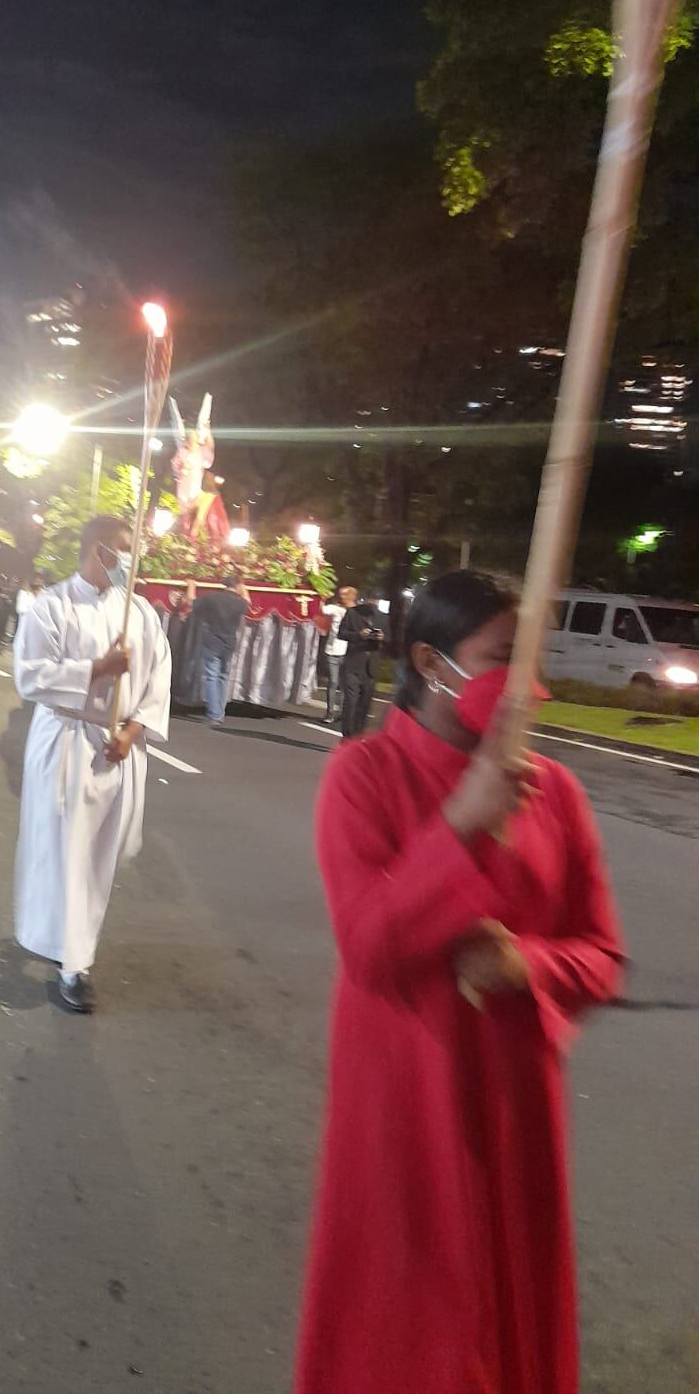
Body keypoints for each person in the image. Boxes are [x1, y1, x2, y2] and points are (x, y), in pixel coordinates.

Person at [296, 570, 623, 1394]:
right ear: (430, 662)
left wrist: (531, 965)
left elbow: (601, 954)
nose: (525, 686)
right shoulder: (361, 777)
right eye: (500, 659)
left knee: (505, 1321)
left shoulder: (556, 794)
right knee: (406, 1334)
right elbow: (369, 947)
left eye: (530, 661)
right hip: (405, 1102)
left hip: (514, 1105)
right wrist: (459, 825)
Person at [13, 515, 171, 1014]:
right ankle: (73, 966)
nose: (132, 560)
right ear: (99, 551)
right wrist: (96, 671)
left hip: (119, 750)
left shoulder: (141, 613)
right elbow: (30, 676)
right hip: (67, 741)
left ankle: (73, 948)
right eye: (124, 550)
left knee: (98, 860)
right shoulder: (52, 606)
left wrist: (133, 729)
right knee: (66, 854)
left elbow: (159, 678)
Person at [189, 573, 249, 724]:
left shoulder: (212, 598)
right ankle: (219, 712)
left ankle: (214, 714)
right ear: (237, 587)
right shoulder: (239, 602)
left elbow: (192, 602)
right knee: (223, 675)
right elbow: (248, 602)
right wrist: (244, 589)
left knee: (211, 675)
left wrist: (191, 586)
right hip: (229, 641)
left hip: (212, 640)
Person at [337, 587, 383, 738]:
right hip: (354, 663)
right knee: (351, 701)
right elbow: (341, 633)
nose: (374, 603)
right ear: (366, 599)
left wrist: (383, 638)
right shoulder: (352, 613)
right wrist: (358, 635)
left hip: (371, 666)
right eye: (372, 599)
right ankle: (348, 735)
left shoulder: (383, 617)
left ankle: (358, 735)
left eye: (376, 601)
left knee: (365, 704)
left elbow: (392, 641)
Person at [320, 586, 350, 725]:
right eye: (341, 595)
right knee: (333, 682)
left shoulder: (354, 611)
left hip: (349, 652)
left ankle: (343, 712)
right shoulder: (334, 608)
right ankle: (330, 712)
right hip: (332, 650)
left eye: (345, 595)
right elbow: (322, 609)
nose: (342, 597)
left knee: (345, 684)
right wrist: (321, 597)